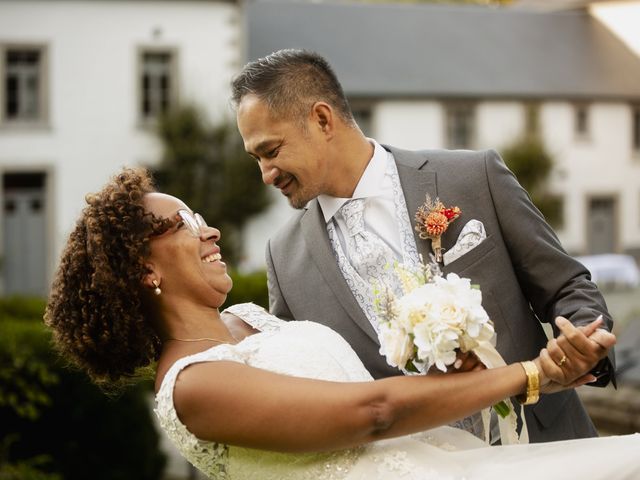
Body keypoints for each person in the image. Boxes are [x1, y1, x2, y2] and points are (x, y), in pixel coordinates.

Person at [44, 168, 638, 480]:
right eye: (183, 223)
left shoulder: (248, 321)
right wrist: (530, 374)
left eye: (201, 217)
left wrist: (452, 360)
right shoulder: (193, 386)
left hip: (462, 460)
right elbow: (372, 412)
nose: (211, 230)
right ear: (143, 268)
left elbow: (372, 383)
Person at [231, 49, 616, 443]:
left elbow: (566, 286)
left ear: (322, 119)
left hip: (547, 445)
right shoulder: (284, 258)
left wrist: (584, 338)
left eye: (271, 151)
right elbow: (312, 389)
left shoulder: (473, 176)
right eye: (255, 158)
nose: (265, 174)